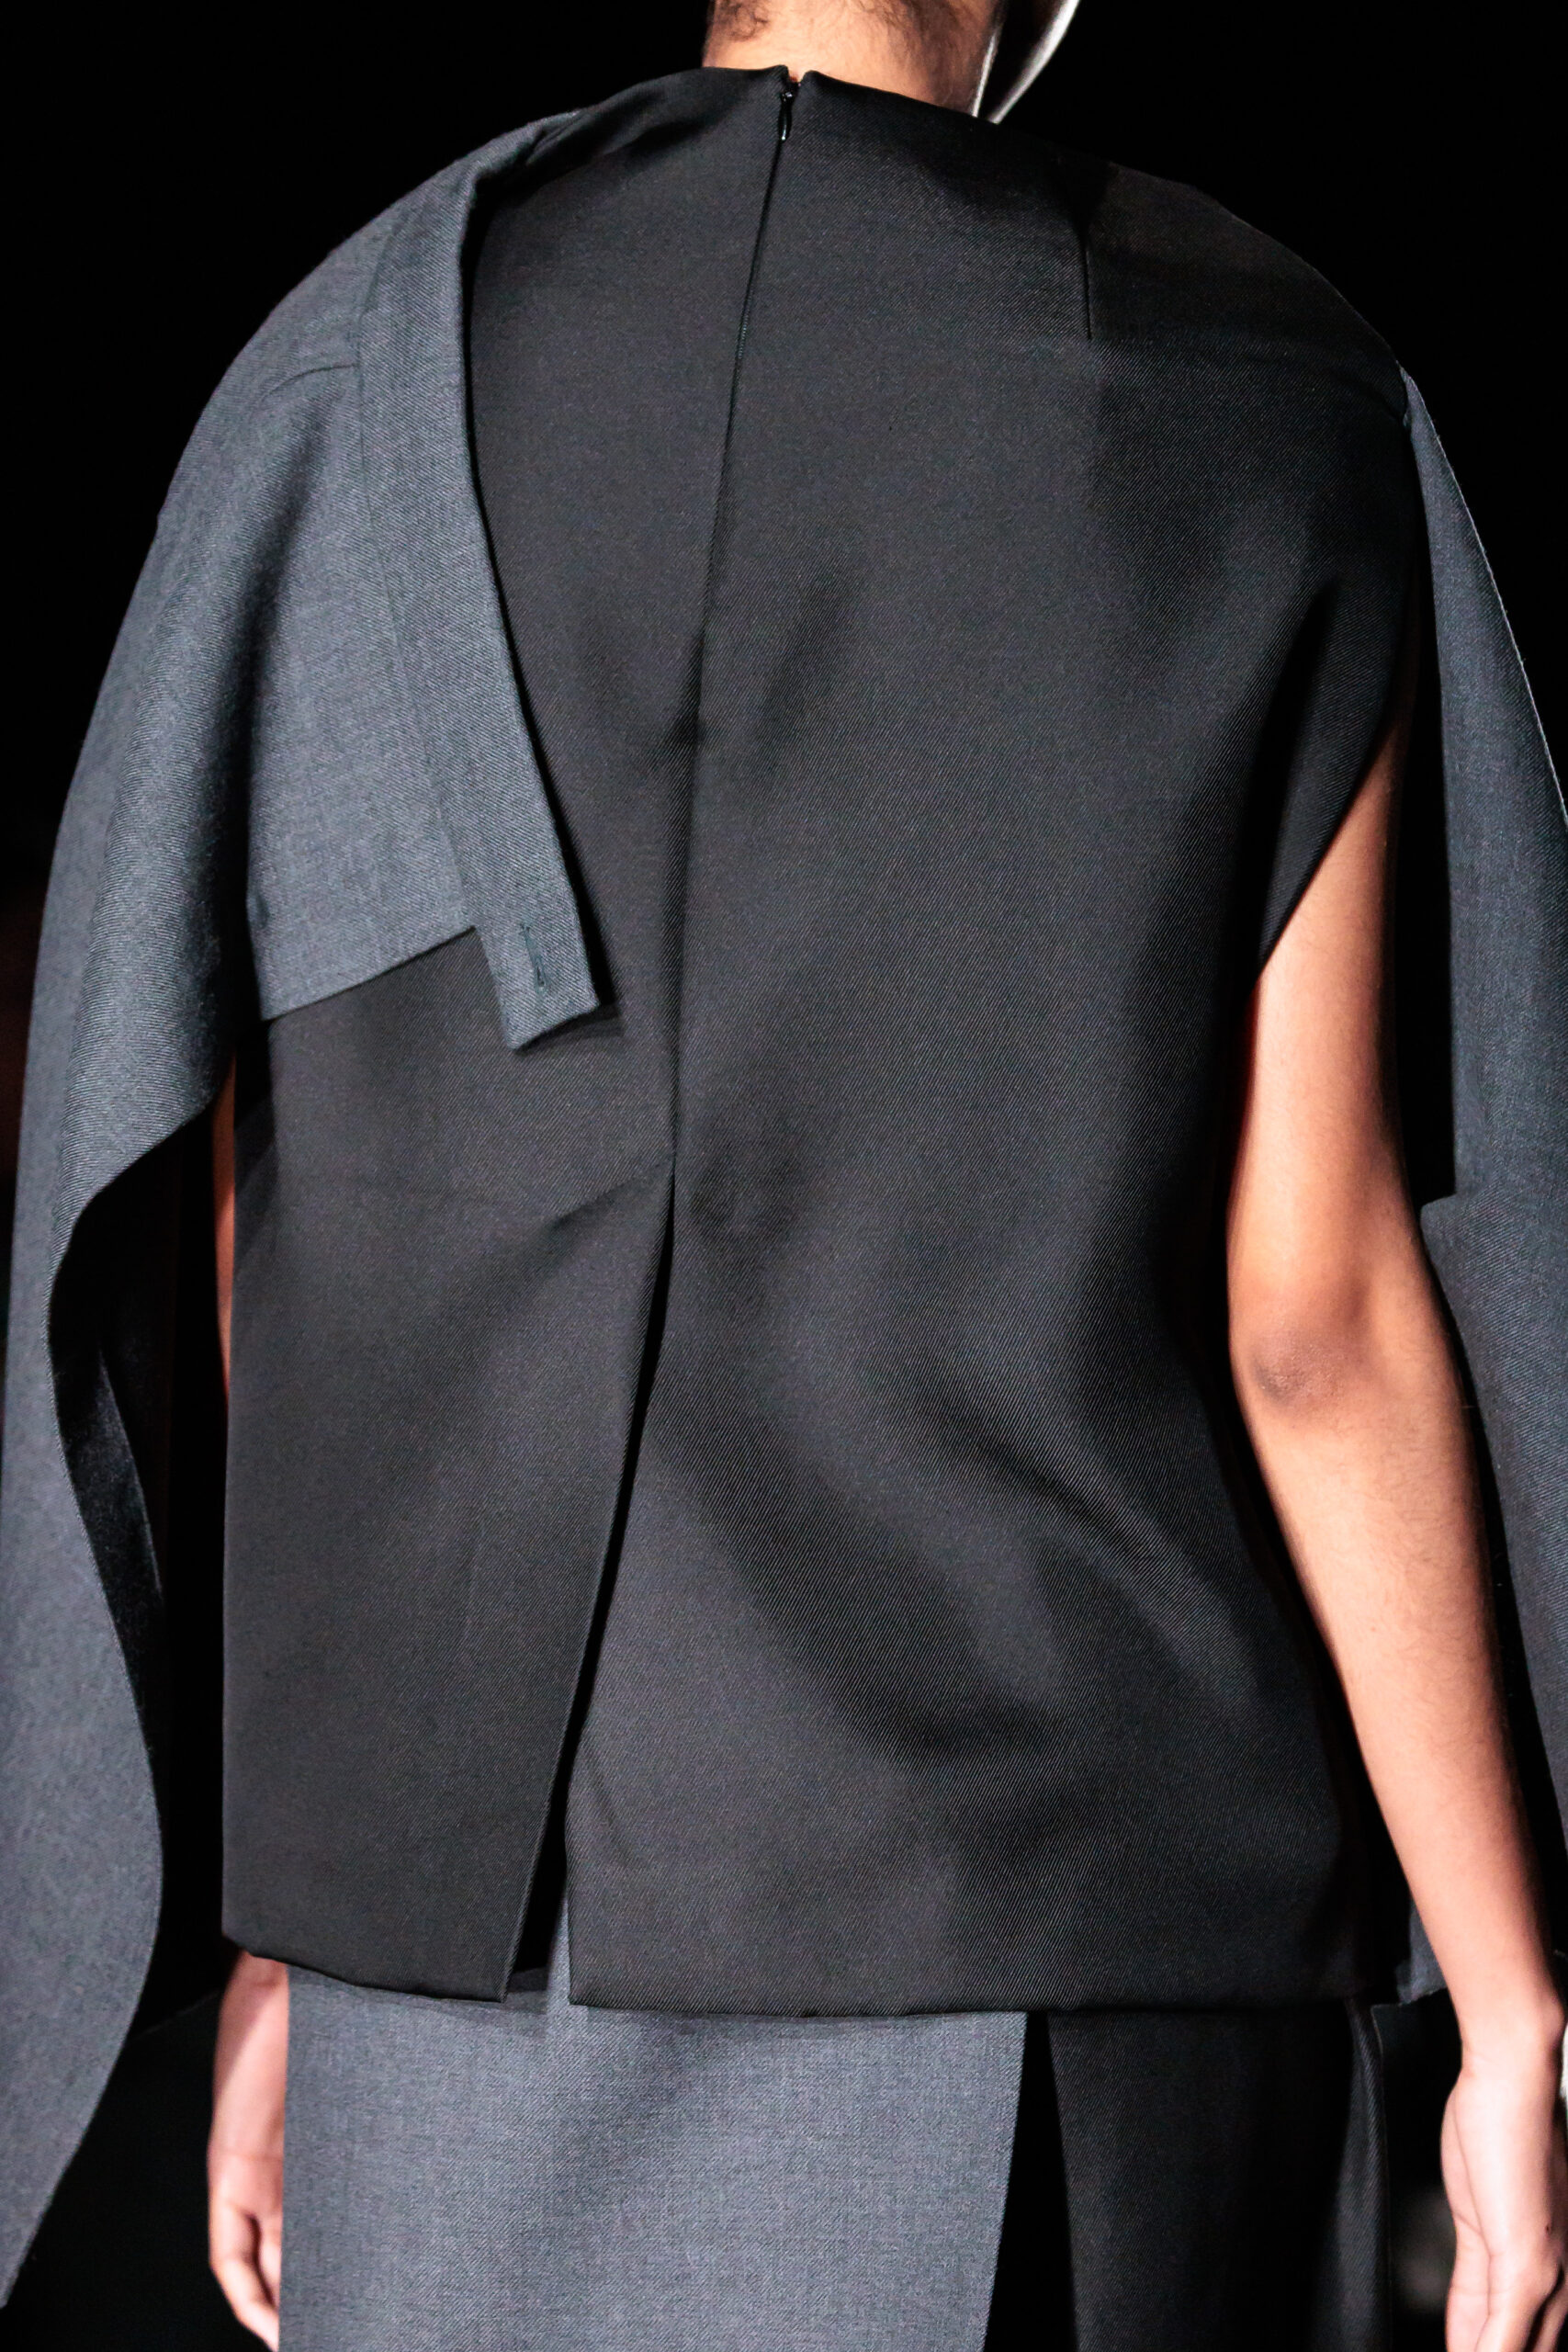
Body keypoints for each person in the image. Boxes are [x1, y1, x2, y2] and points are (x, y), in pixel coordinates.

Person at [2, 0, 1564, 2345]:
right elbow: (1306, 1314)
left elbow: (306, 1199)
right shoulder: (1250, 387)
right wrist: (1512, 2004)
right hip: (1072, 1933)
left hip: (468, 1977)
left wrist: (311, 1917)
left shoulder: (368, 364)